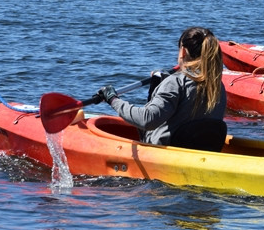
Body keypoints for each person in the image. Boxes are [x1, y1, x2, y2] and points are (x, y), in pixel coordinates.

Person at [96, 26, 228, 151]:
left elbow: (147, 120)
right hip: (201, 150)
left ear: (183, 51)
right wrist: (161, 84)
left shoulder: (175, 83)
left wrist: (113, 99)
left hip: (166, 153)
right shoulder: (217, 85)